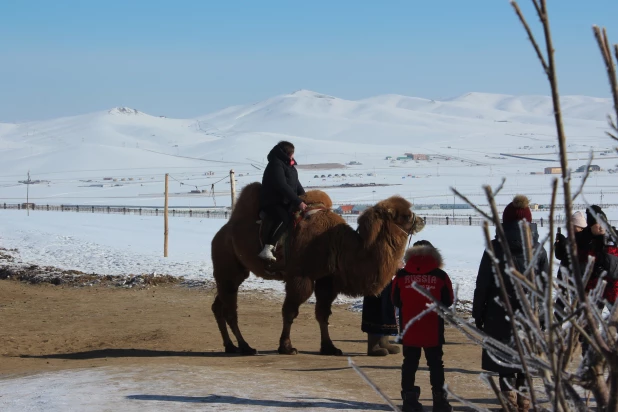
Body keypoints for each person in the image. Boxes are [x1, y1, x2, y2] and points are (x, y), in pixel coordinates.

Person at [472, 195, 548, 412]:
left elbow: (483, 284)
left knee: (505, 362)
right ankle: (524, 403)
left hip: (498, 314)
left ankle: (509, 404)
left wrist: (479, 313)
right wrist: (542, 316)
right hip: (530, 315)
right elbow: (544, 288)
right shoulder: (539, 249)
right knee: (526, 361)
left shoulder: (493, 249)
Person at [392, 240, 454, 412]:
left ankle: (409, 401)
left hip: (409, 327)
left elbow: (395, 300)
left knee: (409, 363)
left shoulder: (402, 276)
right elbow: (448, 300)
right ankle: (439, 401)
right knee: (436, 364)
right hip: (433, 328)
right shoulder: (440, 276)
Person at [258, 141, 307, 261]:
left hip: (286, 202)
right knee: (285, 218)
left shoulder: (289, 166)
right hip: (272, 201)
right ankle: (267, 248)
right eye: (292, 153)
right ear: (287, 153)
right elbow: (282, 185)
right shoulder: (275, 164)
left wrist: (305, 197)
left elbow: (296, 184)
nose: (293, 156)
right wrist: (298, 201)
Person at [361, 278, 400, 356]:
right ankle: (373, 345)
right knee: (376, 305)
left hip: (387, 275)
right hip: (374, 276)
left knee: (387, 303)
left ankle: (383, 342)